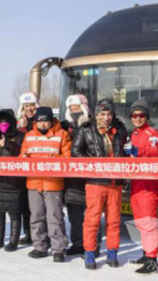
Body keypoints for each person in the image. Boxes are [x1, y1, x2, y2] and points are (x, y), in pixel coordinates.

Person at [72, 98, 128, 270]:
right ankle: (90, 252)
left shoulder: (119, 129)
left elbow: (124, 151)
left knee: (114, 220)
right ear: (96, 115)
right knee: (92, 220)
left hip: (115, 182)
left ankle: (112, 252)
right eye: (102, 114)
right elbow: (76, 151)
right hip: (96, 181)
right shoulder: (86, 129)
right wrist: (94, 164)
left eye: (109, 113)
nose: (106, 117)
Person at [20, 106, 71, 263]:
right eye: (40, 122)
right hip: (34, 183)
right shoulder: (29, 136)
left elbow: (68, 157)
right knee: (36, 217)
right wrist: (25, 158)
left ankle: (58, 249)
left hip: (53, 183)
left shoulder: (62, 134)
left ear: (51, 121)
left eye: (46, 121)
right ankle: (40, 246)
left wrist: (50, 162)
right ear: (35, 122)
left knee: (54, 217)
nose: (43, 125)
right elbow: (22, 156)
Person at [125, 98, 158, 275]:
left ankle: (152, 260)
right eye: (134, 115)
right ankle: (146, 253)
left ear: (146, 116)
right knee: (140, 221)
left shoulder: (152, 133)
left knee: (149, 222)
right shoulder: (133, 134)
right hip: (135, 183)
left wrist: (137, 151)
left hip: (148, 184)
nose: (138, 118)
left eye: (141, 115)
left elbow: (155, 152)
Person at [0, 109, 25, 251]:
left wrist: (8, 144)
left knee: (14, 213)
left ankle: (13, 241)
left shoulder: (20, 136)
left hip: (13, 182)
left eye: (6, 122)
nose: (3, 125)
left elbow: (22, 153)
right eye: (1, 122)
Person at [60, 94, 93, 256]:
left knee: (91, 216)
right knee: (75, 215)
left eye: (77, 108)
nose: (74, 111)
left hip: (90, 177)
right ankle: (78, 244)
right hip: (71, 179)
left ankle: (92, 245)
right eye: (71, 109)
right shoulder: (64, 128)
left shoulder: (92, 126)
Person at [16, 91, 40, 244]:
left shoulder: (43, 119)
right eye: (26, 106)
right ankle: (28, 233)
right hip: (24, 168)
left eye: (31, 105)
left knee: (39, 206)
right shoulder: (19, 124)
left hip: (39, 168)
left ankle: (41, 234)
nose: (29, 109)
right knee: (25, 203)